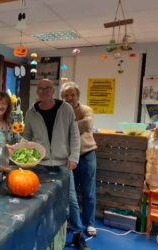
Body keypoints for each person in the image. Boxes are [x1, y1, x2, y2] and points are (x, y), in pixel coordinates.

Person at [22, 79, 88, 250]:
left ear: (53, 90)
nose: (44, 91)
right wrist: (22, 152)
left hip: (62, 164)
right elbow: (27, 137)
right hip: (40, 164)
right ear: (38, 91)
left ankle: (78, 235)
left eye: (48, 88)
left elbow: (74, 135)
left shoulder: (65, 109)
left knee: (71, 200)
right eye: (40, 88)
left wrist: (74, 157)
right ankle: (44, 237)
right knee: (40, 201)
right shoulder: (31, 113)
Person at [61, 81, 98, 237]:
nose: (70, 97)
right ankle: (72, 221)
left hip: (87, 154)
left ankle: (89, 223)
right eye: (66, 95)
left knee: (89, 192)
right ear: (63, 97)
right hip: (69, 158)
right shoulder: (61, 112)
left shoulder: (85, 110)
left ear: (78, 95)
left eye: (73, 94)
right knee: (71, 193)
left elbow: (87, 123)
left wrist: (69, 126)